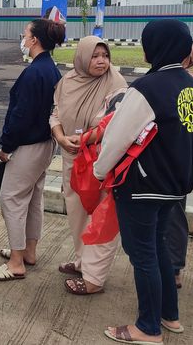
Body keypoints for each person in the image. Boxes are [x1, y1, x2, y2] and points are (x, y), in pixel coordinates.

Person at [94, 19, 193, 343]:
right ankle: (169, 315)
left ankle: (147, 327)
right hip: (175, 185)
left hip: (143, 187)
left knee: (142, 254)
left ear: (155, 47)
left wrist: (100, 171)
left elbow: (117, 138)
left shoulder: (147, 88)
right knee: (157, 248)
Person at [0, 18, 64, 282]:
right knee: (32, 199)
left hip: (28, 146)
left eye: (25, 34)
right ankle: (28, 251)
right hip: (45, 144)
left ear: (34, 40)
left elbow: (21, 115)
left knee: (11, 199)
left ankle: (16, 262)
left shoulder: (33, 73)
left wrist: (6, 146)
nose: (23, 38)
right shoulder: (51, 69)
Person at [50, 36, 127, 295]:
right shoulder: (67, 82)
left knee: (100, 217)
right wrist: (61, 137)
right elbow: (55, 114)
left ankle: (95, 275)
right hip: (72, 157)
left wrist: (84, 139)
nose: (101, 61)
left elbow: (115, 123)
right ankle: (83, 260)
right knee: (76, 212)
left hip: (101, 161)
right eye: (95, 56)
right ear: (83, 57)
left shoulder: (116, 83)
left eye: (105, 55)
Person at [165, 46, 193, 290]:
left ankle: (174, 268)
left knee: (173, 216)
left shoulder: (188, 83)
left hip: (173, 164)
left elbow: (185, 127)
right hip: (178, 162)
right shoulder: (186, 80)